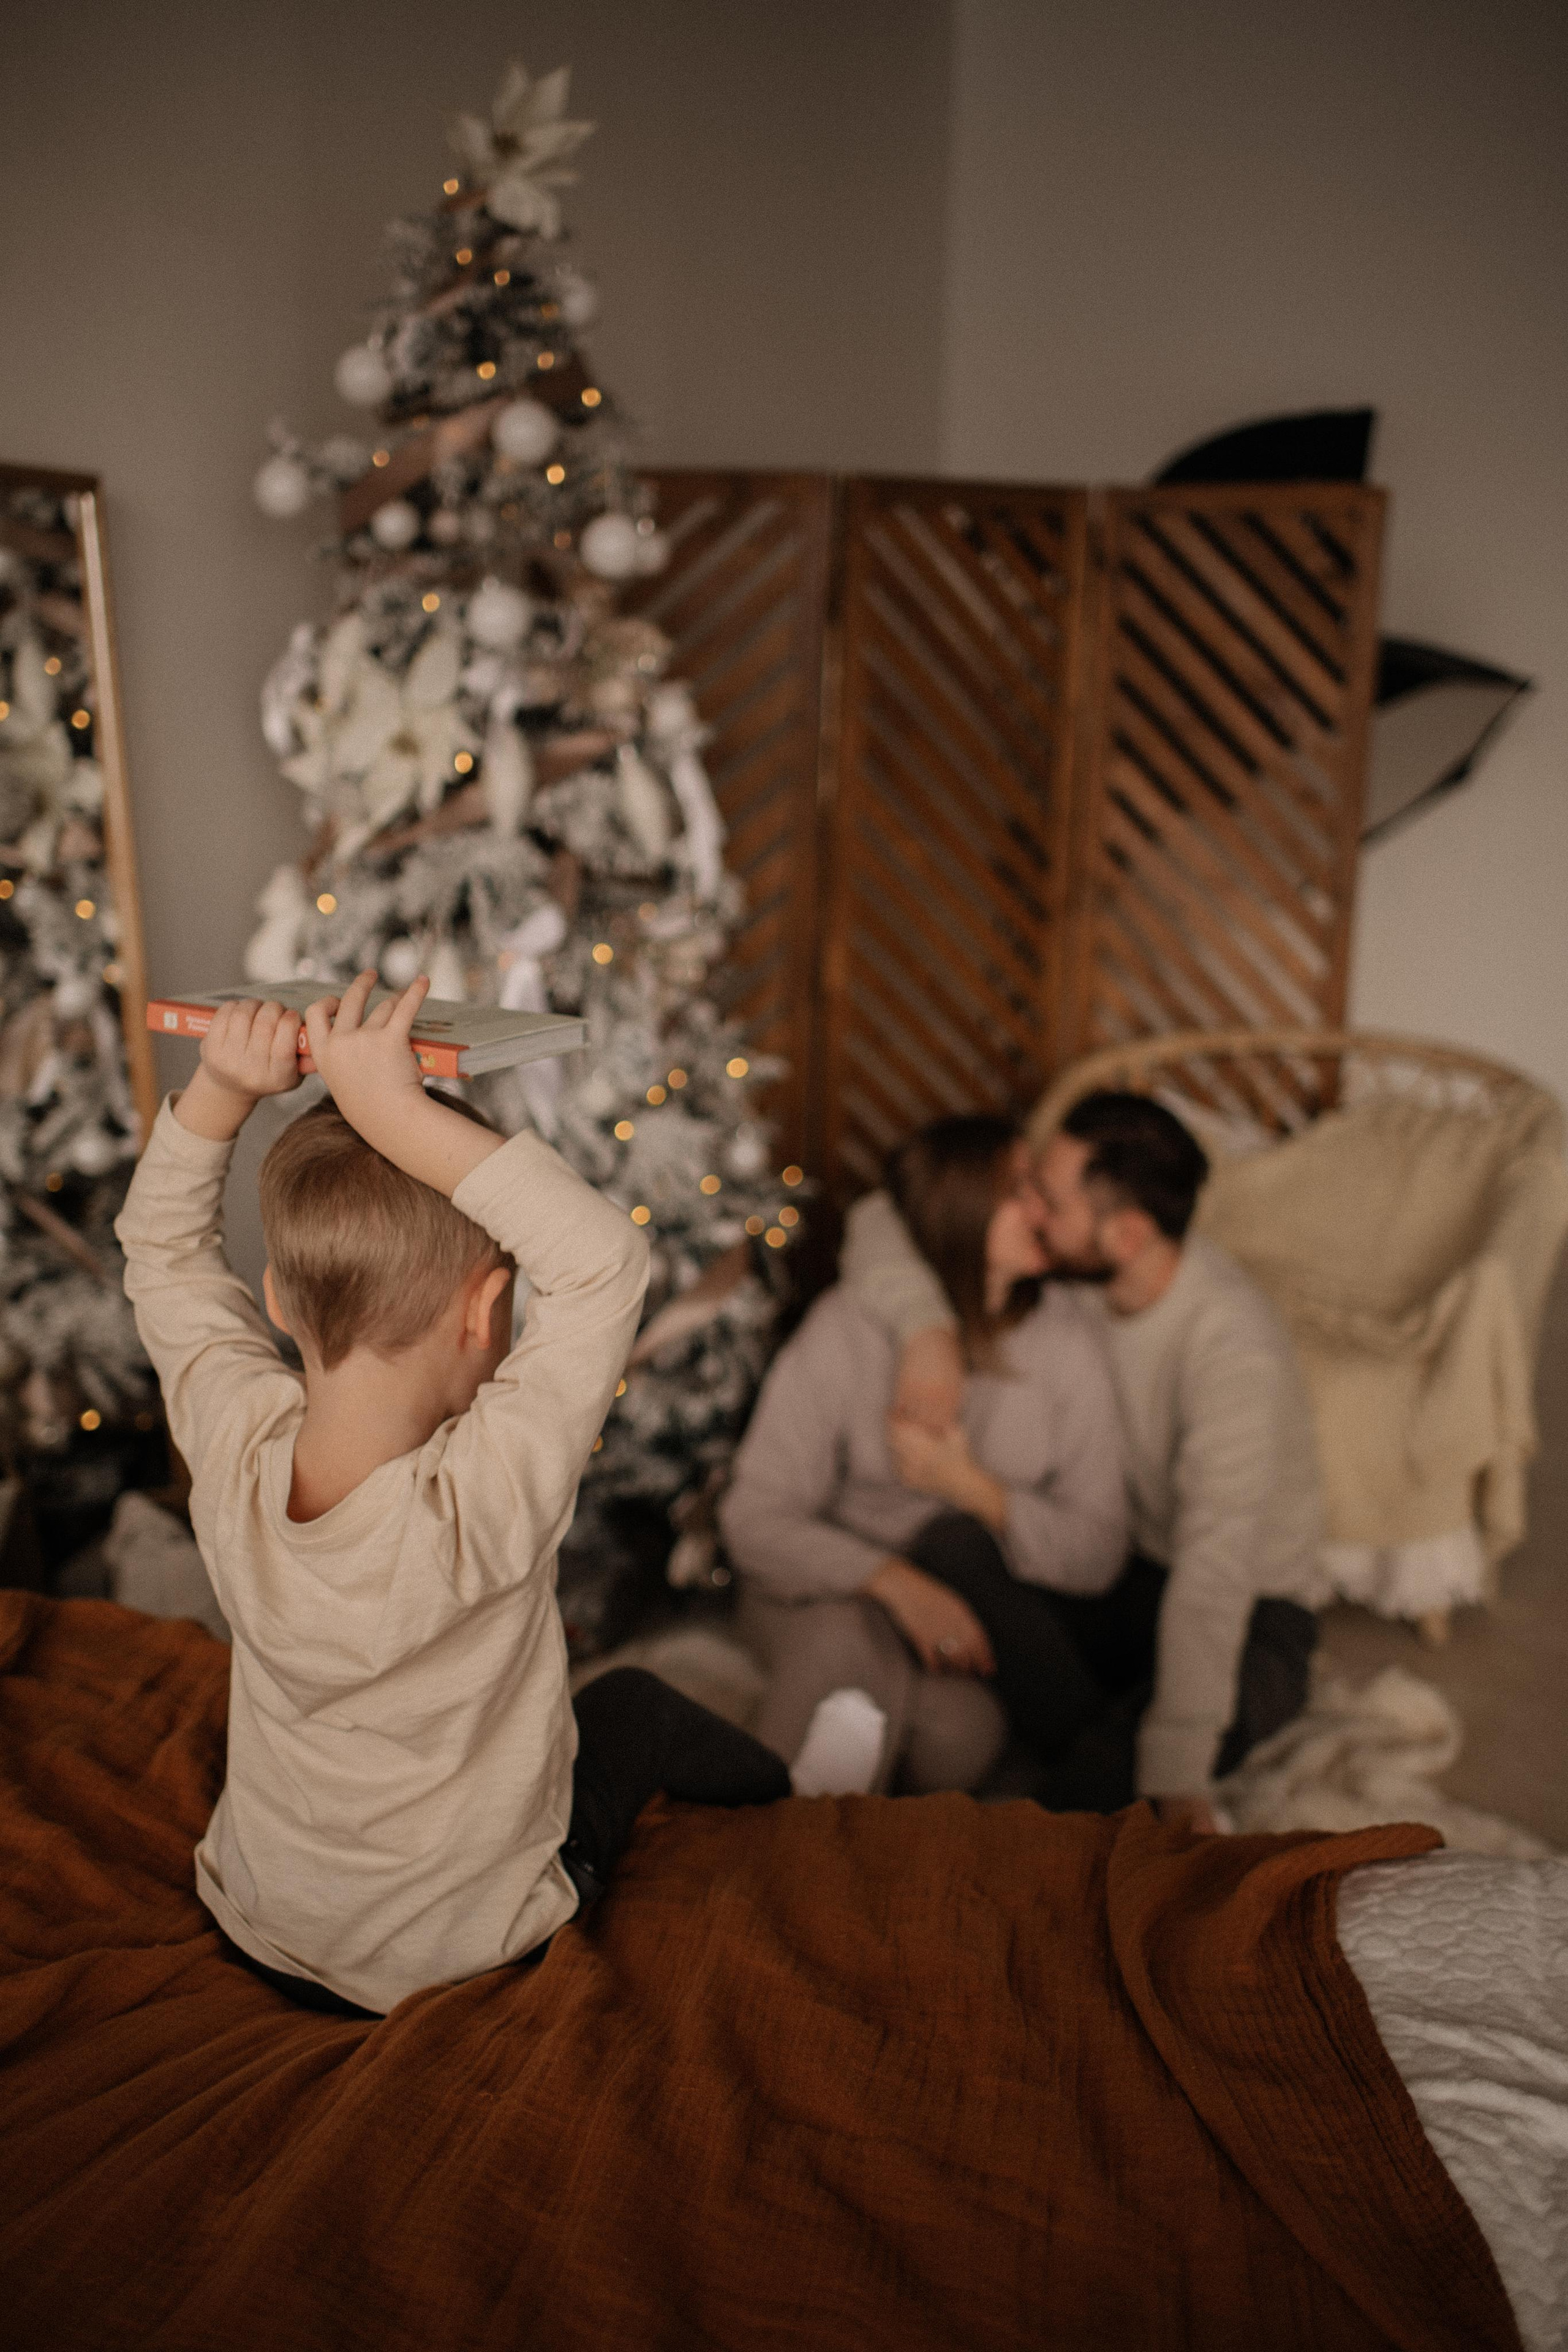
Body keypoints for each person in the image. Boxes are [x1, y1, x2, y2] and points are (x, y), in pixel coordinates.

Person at [114, 973, 790, 2021]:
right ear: (487, 1311)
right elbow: (605, 1263)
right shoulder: (477, 1503)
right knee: (630, 1709)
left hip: (267, 1928)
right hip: (459, 1955)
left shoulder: (232, 1440)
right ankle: (800, 1801)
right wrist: (395, 1113)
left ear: (281, 1302)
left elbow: (160, 1256)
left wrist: (219, 1090)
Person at [841, 1090, 1325, 1827]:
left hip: (1252, 1609)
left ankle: (1099, 1767)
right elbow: (881, 1214)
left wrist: (1176, 1765)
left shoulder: (1233, 1356)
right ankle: (1107, 1734)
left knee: (1102, 1787)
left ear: (1126, 1235)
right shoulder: (1078, 1272)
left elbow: (1213, 1574)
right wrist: (925, 1332)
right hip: (1127, 1575)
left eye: (1049, 1199)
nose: (1027, 1206)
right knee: (950, 1543)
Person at [720, 1114, 1127, 1797]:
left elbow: (1098, 1549)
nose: (1043, 1208)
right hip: (822, 1585)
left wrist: (973, 1489)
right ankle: (753, 1875)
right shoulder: (848, 1329)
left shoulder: (1068, 1344)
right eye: (1020, 1189)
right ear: (961, 1208)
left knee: (963, 1734)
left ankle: (851, 1872)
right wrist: (895, 1584)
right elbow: (753, 1520)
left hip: (964, 1613)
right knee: (839, 1650)